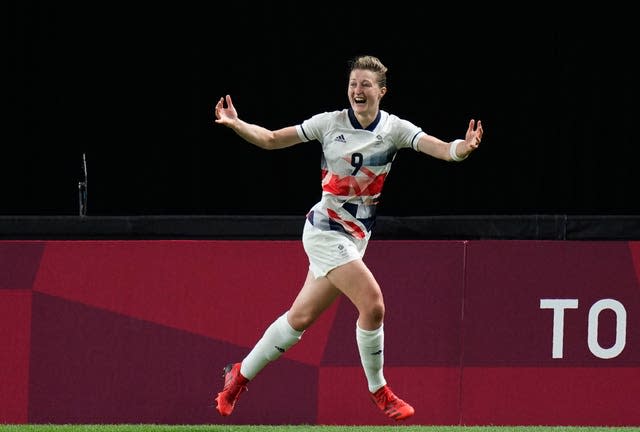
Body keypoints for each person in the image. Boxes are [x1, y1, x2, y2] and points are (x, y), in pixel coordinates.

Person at [212, 54, 483, 422]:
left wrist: (460, 150)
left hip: (356, 237)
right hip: (324, 230)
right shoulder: (329, 123)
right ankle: (380, 391)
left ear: (381, 91)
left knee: (299, 319)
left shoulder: (394, 129)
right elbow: (274, 139)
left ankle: (239, 375)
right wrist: (237, 123)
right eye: (353, 84)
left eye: (366, 85)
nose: (358, 89)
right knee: (373, 304)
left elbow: (438, 148)